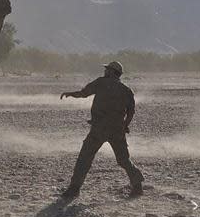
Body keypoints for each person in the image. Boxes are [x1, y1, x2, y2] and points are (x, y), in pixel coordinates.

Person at [59, 61, 144, 199]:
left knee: (85, 158)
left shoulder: (100, 83)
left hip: (99, 129)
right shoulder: (126, 90)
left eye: (107, 70)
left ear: (111, 72)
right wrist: (125, 125)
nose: (105, 71)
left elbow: (84, 93)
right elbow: (131, 111)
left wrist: (71, 94)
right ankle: (137, 185)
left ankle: (74, 189)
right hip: (117, 130)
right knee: (123, 160)